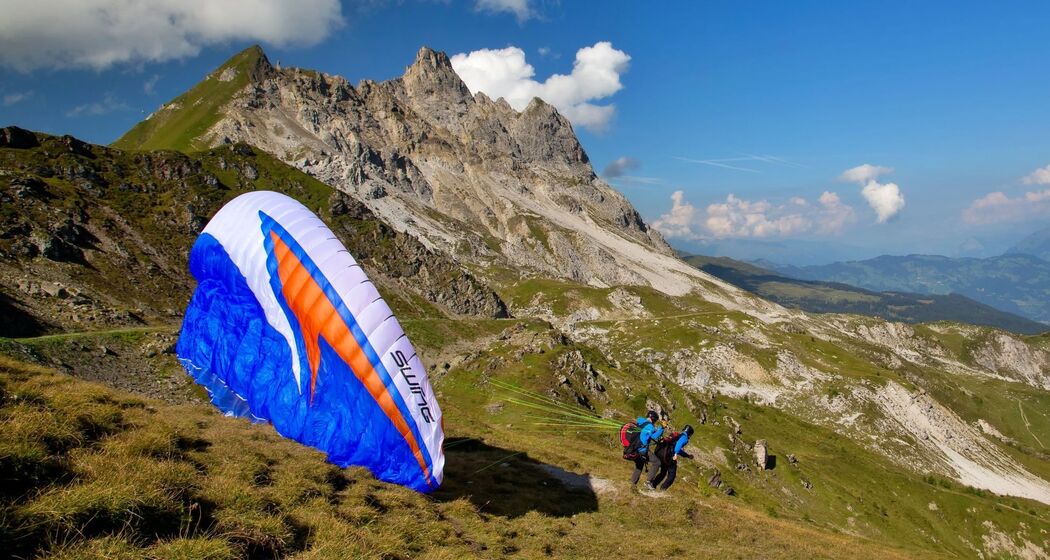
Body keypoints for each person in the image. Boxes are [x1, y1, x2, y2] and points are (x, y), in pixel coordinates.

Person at [651, 425, 694, 491]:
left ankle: (653, 485)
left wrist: (687, 455)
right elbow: (677, 447)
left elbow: (676, 447)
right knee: (672, 475)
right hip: (670, 457)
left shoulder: (678, 435)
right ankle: (663, 489)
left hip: (664, 454)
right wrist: (676, 454)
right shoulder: (684, 438)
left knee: (663, 472)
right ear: (690, 433)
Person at [629, 410, 665, 488]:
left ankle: (632, 484)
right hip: (642, 450)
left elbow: (646, 432)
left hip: (634, 448)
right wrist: (661, 428)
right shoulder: (650, 426)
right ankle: (648, 482)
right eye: (655, 420)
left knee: (639, 465)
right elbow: (654, 436)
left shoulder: (640, 420)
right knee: (657, 462)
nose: (654, 422)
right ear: (653, 419)